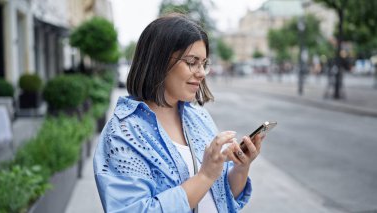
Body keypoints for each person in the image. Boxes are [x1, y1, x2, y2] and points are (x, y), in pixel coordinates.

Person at [93, 13, 264, 213]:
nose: (201, 72)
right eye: (192, 62)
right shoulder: (122, 132)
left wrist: (242, 167)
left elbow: (222, 196)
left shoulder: (198, 117)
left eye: (204, 63)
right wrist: (205, 176)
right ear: (159, 61)